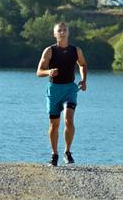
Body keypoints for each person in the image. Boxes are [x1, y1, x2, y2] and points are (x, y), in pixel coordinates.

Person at [36, 22, 87, 166]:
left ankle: (67, 151)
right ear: (55, 34)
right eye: (60, 30)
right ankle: (54, 154)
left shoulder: (75, 50)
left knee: (68, 120)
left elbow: (82, 64)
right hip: (54, 89)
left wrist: (83, 80)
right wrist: (48, 72)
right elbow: (39, 72)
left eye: (65, 30)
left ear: (68, 33)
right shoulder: (49, 51)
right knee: (54, 124)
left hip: (70, 89)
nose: (62, 32)